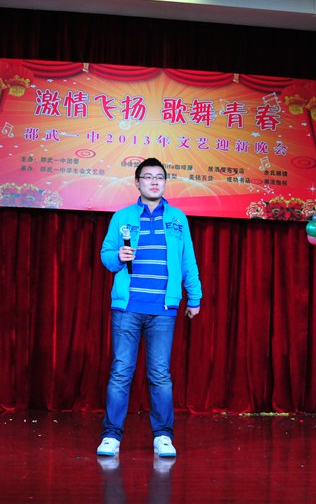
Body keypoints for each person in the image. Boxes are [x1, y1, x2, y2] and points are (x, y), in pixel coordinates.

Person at [96, 157, 202, 459]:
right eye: (148, 177)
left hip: (163, 309)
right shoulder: (122, 217)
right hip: (127, 307)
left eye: (159, 177)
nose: (154, 182)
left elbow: (187, 260)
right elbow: (106, 256)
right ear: (137, 182)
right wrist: (118, 256)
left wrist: (194, 297)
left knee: (160, 374)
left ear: (165, 182)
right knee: (121, 372)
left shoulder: (177, 218)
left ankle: (163, 436)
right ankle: (111, 436)